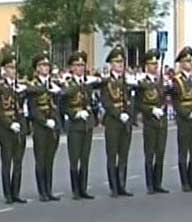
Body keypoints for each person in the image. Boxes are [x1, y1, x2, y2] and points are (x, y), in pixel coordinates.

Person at [62, 51, 100, 200]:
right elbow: (64, 105)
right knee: (74, 158)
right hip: (75, 125)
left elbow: (90, 102)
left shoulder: (86, 84)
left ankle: (83, 188)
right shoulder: (69, 83)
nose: (80, 68)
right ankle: (75, 190)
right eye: (77, 65)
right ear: (71, 67)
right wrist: (75, 114)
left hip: (87, 124)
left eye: (82, 65)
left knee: (85, 158)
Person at [0, 51, 28, 204]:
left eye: (14, 68)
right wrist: (9, 123)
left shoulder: (21, 87)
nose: (13, 71)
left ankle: (16, 192)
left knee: (18, 162)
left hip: (20, 127)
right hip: (6, 129)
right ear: (4, 70)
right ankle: (7, 194)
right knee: (7, 162)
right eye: (10, 68)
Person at [26, 51, 62, 202]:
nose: (45, 68)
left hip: (53, 126)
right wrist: (44, 121)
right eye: (42, 65)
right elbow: (33, 108)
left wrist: (55, 121)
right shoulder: (33, 85)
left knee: (50, 159)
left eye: (47, 65)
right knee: (40, 159)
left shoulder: (54, 84)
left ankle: (49, 189)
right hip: (41, 126)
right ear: (36, 68)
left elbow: (57, 104)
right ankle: (42, 191)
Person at [101, 45, 134, 197]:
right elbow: (106, 103)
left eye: (122, 62)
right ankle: (113, 186)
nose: (120, 65)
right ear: (111, 64)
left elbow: (131, 101)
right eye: (117, 62)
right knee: (112, 154)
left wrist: (129, 115)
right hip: (113, 122)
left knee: (124, 154)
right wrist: (118, 114)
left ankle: (122, 185)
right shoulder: (106, 82)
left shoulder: (127, 81)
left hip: (125, 123)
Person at [171, 47, 192, 192]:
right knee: (184, 151)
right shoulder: (176, 80)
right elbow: (176, 103)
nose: (189, 64)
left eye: (190, 61)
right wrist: (187, 113)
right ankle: (184, 182)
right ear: (181, 63)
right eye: (186, 61)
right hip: (184, 119)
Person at [138, 49, 169, 194]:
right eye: (151, 64)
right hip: (150, 122)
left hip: (162, 122)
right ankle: (150, 184)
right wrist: (151, 111)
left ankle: (158, 183)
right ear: (146, 66)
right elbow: (139, 104)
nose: (155, 67)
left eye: (156, 64)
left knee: (160, 153)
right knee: (150, 153)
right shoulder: (142, 83)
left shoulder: (161, 81)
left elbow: (165, 98)